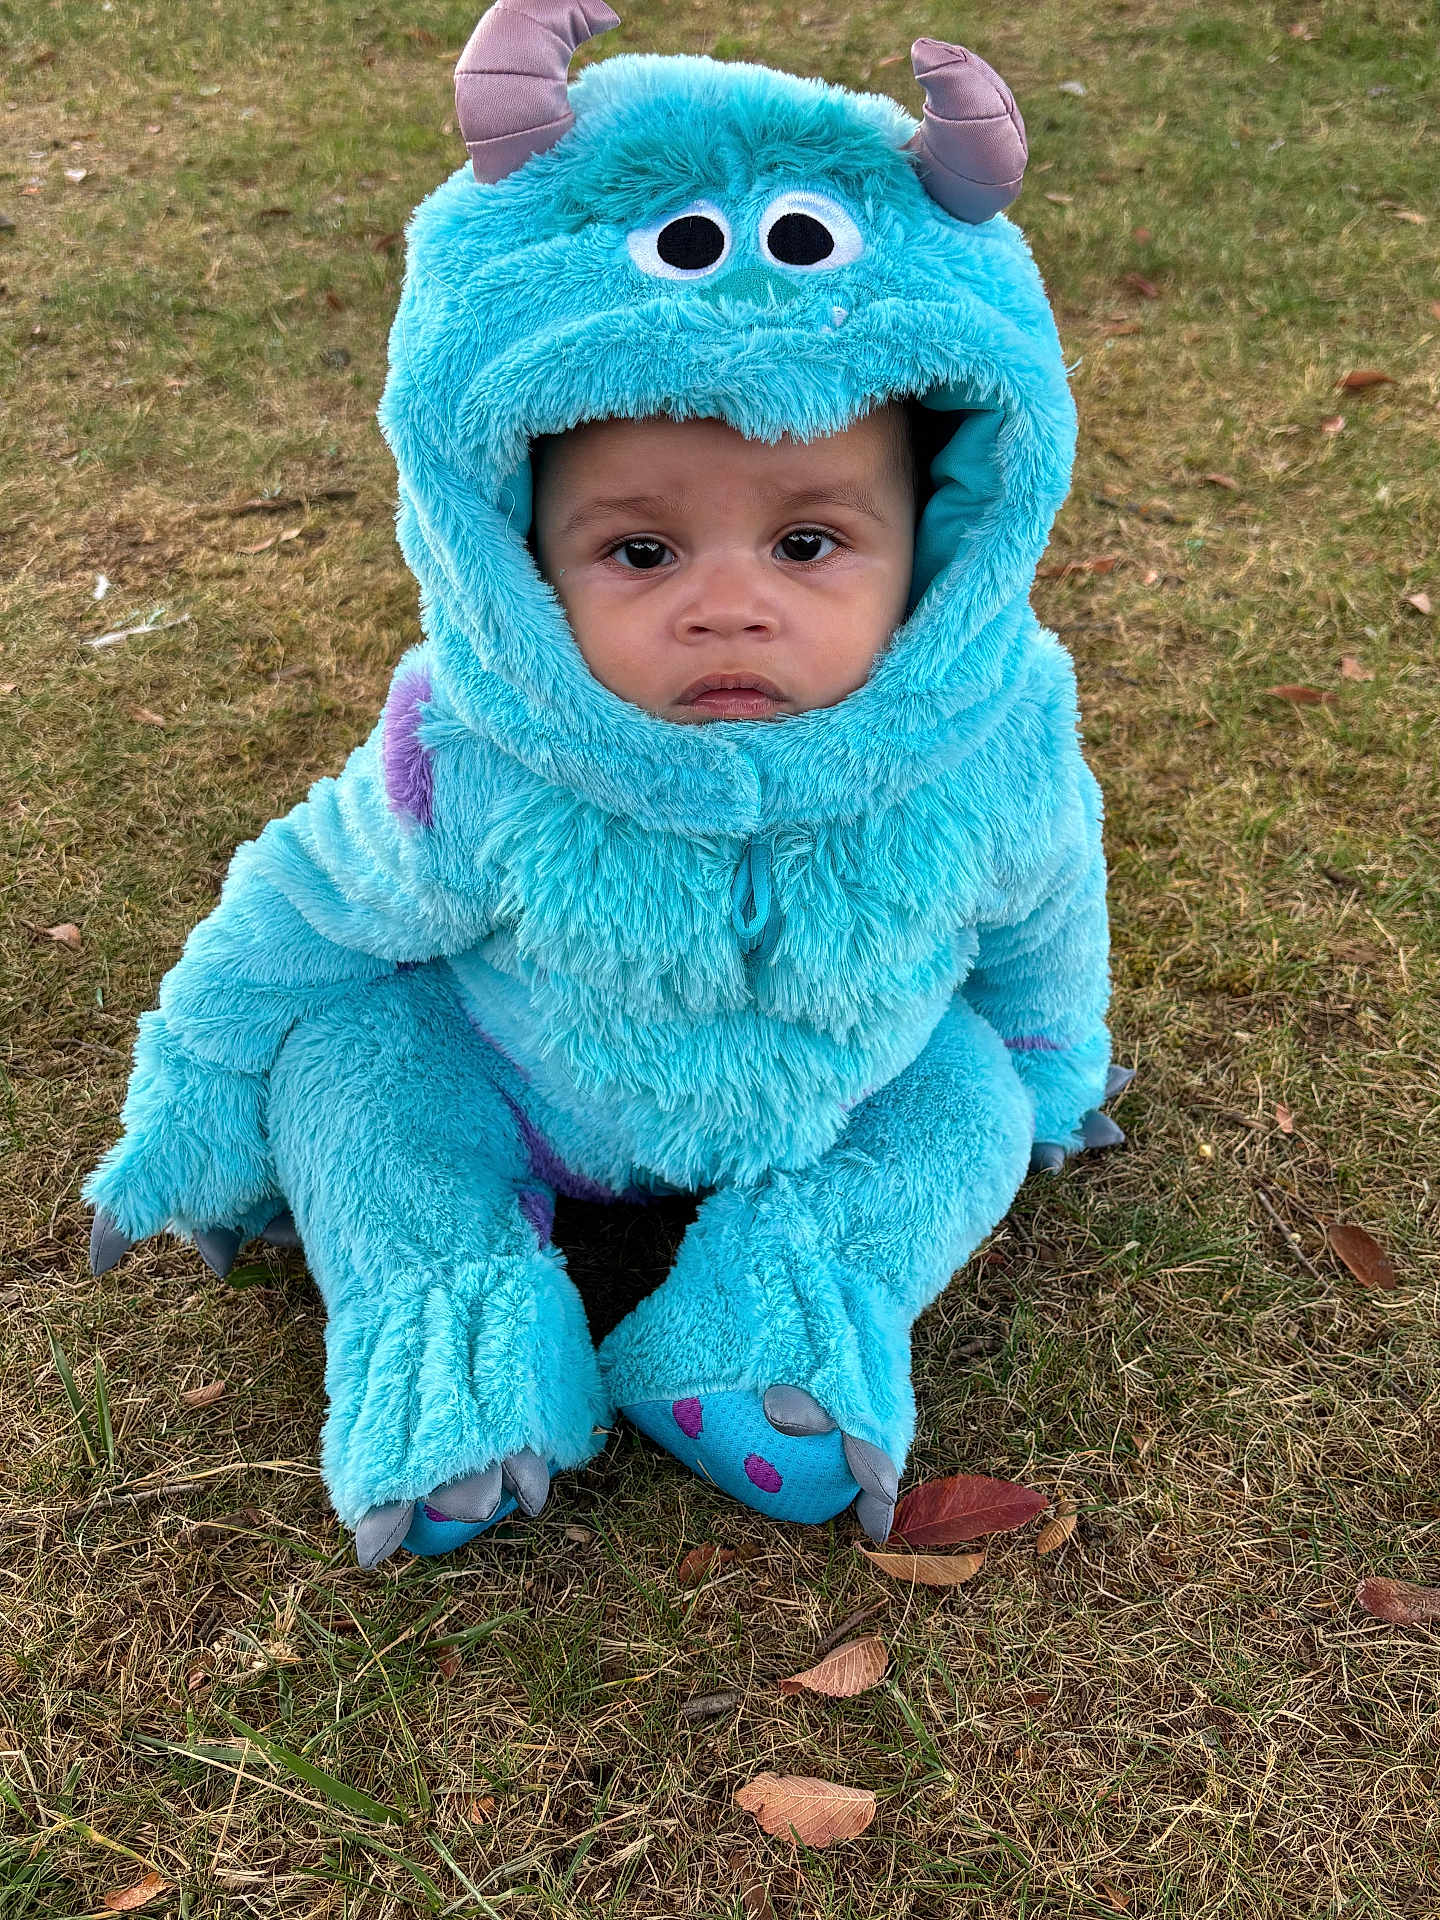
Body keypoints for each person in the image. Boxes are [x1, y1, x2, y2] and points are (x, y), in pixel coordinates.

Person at [83, 1, 1129, 1567]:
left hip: (846, 1082)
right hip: (521, 1082)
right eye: (641, 550)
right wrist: (193, 1095)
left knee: (965, 1098)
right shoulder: (475, 755)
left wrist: (1056, 1068)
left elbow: (1048, 905)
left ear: (941, 535)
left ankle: (778, 1316)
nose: (728, 604)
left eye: (807, 543)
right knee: (356, 1076)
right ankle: (452, 1328)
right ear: (516, 552)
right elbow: (299, 907)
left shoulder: (995, 736)